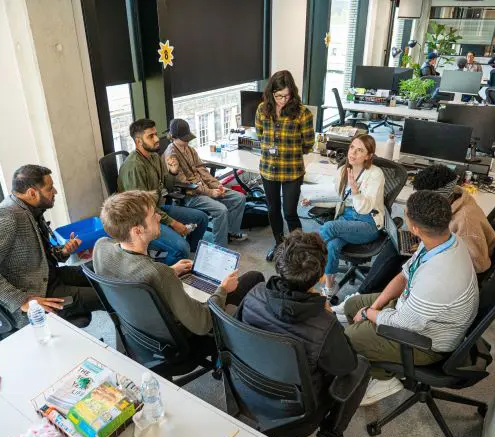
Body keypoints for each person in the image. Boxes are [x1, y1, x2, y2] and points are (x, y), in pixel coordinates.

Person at [343, 191, 479, 406]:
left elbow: (403, 323)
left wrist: (368, 313)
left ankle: (384, 378)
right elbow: (405, 274)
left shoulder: (439, 278)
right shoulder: (441, 240)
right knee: (352, 305)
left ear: (415, 228)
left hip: (426, 342)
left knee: (348, 337)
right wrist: (375, 306)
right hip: (413, 310)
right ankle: (372, 354)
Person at [236, 231, 363, 437]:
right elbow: (346, 366)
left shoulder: (253, 294)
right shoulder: (324, 325)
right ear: (321, 277)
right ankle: (330, 436)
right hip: (298, 417)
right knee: (361, 366)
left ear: (279, 266)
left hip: (246, 391)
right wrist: (329, 315)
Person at [94, 190, 264, 342]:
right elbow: (202, 323)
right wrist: (223, 290)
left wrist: (171, 270)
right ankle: (238, 344)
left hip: (138, 332)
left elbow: (133, 272)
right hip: (178, 339)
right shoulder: (159, 274)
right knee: (254, 278)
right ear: (137, 230)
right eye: (153, 215)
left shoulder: (100, 248)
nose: (159, 217)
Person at [0, 165, 103, 329]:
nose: (55, 192)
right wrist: (22, 301)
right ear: (32, 193)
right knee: (112, 295)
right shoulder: (7, 215)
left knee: (102, 268)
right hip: (39, 291)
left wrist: (64, 251)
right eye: (49, 188)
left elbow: (41, 256)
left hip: (50, 276)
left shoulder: (32, 209)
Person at [337, 164, 495, 300]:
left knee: (398, 258)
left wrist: (428, 250)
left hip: (448, 270)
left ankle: (365, 295)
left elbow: (477, 265)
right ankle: (367, 294)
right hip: (436, 246)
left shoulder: (466, 222)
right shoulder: (452, 197)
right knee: (397, 245)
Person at [118, 118, 209, 265]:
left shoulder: (154, 157)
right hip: (141, 220)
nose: (156, 139)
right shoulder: (133, 167)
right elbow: (142, 207)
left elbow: (167, 185)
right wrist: (173, 223)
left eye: (155, 134)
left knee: (202, 218)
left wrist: (173, 172)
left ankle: (188, 259)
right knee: (181, 248)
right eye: (150, 136)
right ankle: (166, 270)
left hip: (157, 209)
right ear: (138, 141)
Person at [303, 135, 384, 298]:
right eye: (352, 147)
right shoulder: (342, 170)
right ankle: (330, 286)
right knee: (332, 245)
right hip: (346, 218)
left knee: (329, 227)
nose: (353, 152)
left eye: (360, 150)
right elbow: (336, 197)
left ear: (368, 156)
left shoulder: (376, 174)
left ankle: (305, 260)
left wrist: (355, 192)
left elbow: (364, 208)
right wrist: (313, 200)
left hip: (368, 222)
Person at [255, 70, 315, 261]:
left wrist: (291, 151)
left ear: (293, 93)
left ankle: (298, 248)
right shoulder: (262, 110)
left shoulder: (302, 113)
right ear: (271, 93)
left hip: (292, 170)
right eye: (278, 95)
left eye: (286, 95)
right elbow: (260, 134)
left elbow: (308, 143)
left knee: (289, 212)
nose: (282, 100)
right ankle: (279, 244)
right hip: (268, 170)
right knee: (273, 210)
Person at [163, 118, 248, 247]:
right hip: (190, 193)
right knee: (221, 210)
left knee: (239, 198)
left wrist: (216, 185)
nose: (187, 141)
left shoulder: (190, 150)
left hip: (205, 187)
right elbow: (183, 182)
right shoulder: (171, 155)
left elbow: (202, 170)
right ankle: (220, 246)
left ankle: (230, 232)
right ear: (174, 137)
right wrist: (210, 193)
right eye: (184, 139)